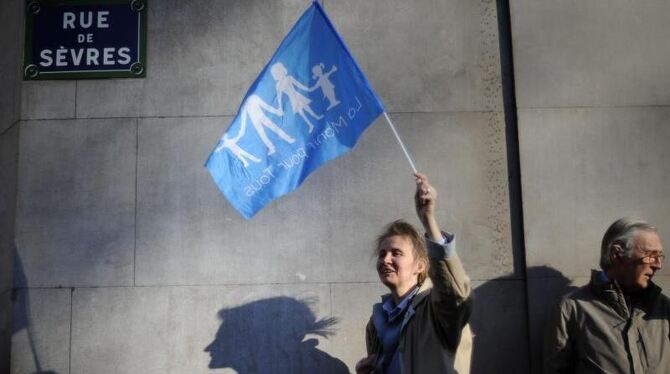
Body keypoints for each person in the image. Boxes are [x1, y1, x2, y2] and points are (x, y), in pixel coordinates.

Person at [355, 173, 473, 374]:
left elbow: (456, 295)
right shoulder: (377, 322)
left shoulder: (435, 309)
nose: (385, 259)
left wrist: (428, 219)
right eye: (382, 254)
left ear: (420, 266)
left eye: (396, 253)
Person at [544, 217, 670, 373]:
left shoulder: (663, 308)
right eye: (650, 254)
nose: (658, 264)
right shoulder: (572, 309)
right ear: (616, 254)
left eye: (659, 256)